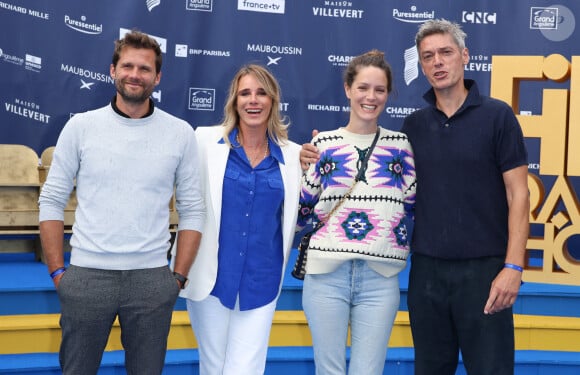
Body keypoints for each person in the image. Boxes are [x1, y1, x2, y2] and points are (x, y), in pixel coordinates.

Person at [38, 30, 205, 374]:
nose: (135, 74)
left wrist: (177, 279)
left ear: (157, 77)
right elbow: (52, 199)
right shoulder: (81, 127)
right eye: (127, 65)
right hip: (86, 276)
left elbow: (193, 210)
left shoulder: (180, 133)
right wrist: (58, 273)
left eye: (144, 69)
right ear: (112, 70)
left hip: (152, 281)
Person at [402, 19, 529, 374]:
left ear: (465, 56)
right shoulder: (413, 126)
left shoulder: (498, 116)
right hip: (426, 271)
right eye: (428, 56)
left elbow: (519, 194)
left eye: (445, 52)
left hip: (486, 273)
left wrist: (513, 267)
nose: (438, 62)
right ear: (422, 66)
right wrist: (320, 153)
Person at [174, 64, 301, 374]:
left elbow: (302, 215)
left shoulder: (296, 156)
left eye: (261, 93)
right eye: (245, 93)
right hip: (211, 279)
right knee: (213, 367)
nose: (253, 101)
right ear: (234, 101)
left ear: (273, 101)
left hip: (262, 280)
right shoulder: (203, 141)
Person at [296, 50, 416, 375]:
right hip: (326, 277)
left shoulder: (402, 146)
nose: (370, 96)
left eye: (379, 90)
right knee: (329, 371)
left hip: (380, 278)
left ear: (389, 94)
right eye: (363, 88)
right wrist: (298, 167)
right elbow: (302, 211)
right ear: (348, 89)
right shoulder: (323, 144)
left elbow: (414, 204)